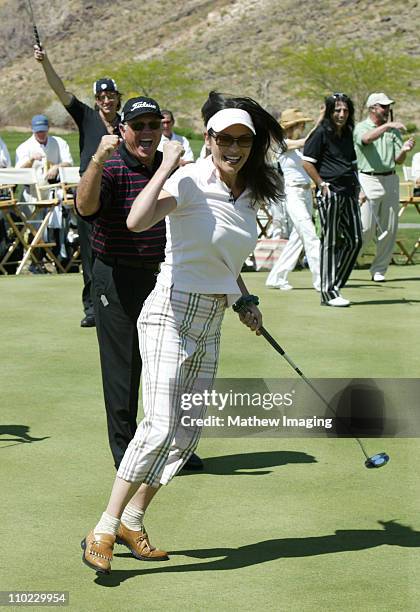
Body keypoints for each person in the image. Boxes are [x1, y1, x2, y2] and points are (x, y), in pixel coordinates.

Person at [80, 91, 285, 575]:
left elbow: (223, 259)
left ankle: (133, 519)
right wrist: (166, 166)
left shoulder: (250, 194)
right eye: (224, 139)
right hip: (169, 311)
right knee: (157, 426)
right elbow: (135, 220)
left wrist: (245, 299)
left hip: (212, 315)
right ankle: (104, 528)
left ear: (252, 145)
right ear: (209, 139)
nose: (233, 148)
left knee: (185, 433)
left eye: (243, 141)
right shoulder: (189, 178)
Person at [76, 96, 203, 475]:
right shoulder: (113, 166)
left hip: (161, 276)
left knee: (169, 365)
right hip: (116, 277)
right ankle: (126, 453)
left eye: (153, 125)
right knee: (124, 368)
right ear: (123, 130)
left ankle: (173, 446)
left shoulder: (172, 168)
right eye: (138, 126)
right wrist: (97, 159)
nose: (147, 132)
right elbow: (85, 208)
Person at [34, 44, 122, 326]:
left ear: (118, 99)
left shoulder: (127, 124)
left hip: (120, 194)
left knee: (120, 250)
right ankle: (93, 308)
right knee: (90, 252)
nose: (107, 101)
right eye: (102, 97)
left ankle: (119, 303)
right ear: (96, 101)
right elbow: (60, 90)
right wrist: (45, 62)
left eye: (111, 96)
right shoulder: (86, 116)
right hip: (90, 194)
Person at [303, 93, 362, 307]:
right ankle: (328, 293)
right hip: (331, 191)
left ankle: (333, 284)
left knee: (356, 240)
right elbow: (307, 162)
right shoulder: (320, 132)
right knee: (330, 241)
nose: (342, 114)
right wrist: (321, 183)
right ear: (330, 112)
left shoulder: (347, 133)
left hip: (349, 191)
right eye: (337, 110)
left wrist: (359, 188)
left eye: (345, 110)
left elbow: (352, 163)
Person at [354, 93, 416, 282]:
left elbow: (397, 159)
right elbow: (365, 139)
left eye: (388, 106)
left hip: (390, 179)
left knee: (389, 227)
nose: (387, 110)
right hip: (368, 179)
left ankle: (379, 270)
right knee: (365, 228)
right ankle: (347, 262)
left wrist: (404, 151)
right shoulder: (361, 127)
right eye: (383, 106)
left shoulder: (393, 132)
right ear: (372, 108)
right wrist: (388, 126)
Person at [266, 108, 321, 292]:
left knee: (298, 239)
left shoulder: (298, 146)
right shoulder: (283, 144)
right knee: (311, 236)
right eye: (301, 124)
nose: (303, 127)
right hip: (293, 194)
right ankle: (321, 280)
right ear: (292, 126)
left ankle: (276, 277)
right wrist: (321, 119)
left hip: (305, 193)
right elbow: (308, 140)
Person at [15, 114, 73, 273]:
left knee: (57, 228)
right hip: (32, 194)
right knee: (36, 231)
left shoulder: (59, 142)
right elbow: (18, 173)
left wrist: (57, 167)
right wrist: (31, 160)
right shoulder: (24, 147)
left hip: (53, 192)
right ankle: (35, 264)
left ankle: (59, 261)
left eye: (43, 131)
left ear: (48, 129)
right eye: (37, 132)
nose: (41, 134)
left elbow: (68, 162)